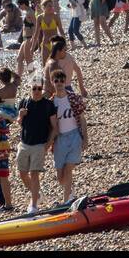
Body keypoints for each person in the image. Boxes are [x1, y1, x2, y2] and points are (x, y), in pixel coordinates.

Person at [16, 78, 56, 213]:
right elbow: (19, 123)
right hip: (24, 143)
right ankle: (37, 194)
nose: (37, 91)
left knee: (34, 173)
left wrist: (49, 144)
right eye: (34, 88)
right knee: (22, 173)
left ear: (43, 88)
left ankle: (33, 205)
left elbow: (54, 127)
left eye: (39, 88)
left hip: (40, 144)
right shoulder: (24, 102)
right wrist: (20, 116)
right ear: (30, 89)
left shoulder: (48, 105)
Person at [46, 70, 87, 203]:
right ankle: (69, 191)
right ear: (52, 82)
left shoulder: (74, 98)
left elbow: (82, 119)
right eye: (56, 81)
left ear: (65, 81)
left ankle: (66, 201)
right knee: (60, 176)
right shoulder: (51, 103)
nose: (59, 83)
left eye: (61, 81)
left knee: (69, 168)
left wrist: (85, 138)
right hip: (59, 139)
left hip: (74, 136)